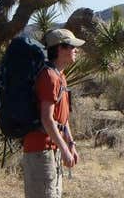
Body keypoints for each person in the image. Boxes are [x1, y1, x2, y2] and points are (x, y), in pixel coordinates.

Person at [21, 28, 84, 198]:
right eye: (72, 47)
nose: (75, 50)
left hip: (52, 150)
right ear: (60, 49)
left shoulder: (60, 76)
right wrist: (64, 149)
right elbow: (47, 118)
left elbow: (63, 119)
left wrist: (70, 144)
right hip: (40, 151)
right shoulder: (49, 77)